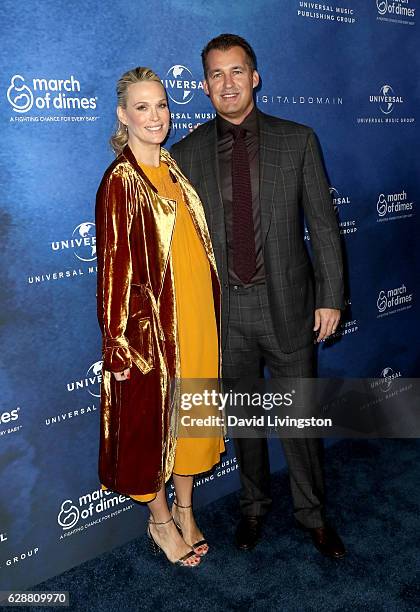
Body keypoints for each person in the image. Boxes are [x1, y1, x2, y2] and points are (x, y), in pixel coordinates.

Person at [171, 34, 346, 559]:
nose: (228, 82)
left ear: (255, 76)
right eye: (217, 75)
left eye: (237, 71)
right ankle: (253, 509)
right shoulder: (184, 154)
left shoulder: (298, 140)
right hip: (226, 313)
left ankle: (313, 514)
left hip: (289, 304)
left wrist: (331, 295)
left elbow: (323, 223)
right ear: (204, 86)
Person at [95, 67, 224, 567]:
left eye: (162, 105)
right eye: (142, 107)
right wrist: (118, 343)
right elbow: (112, 273)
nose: (156, 116)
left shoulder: (175, 170)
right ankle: (161, 520)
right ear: (123, 115)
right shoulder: (121, 182)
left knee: (192, 420)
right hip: (150, 333)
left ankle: (187, 510)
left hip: (195, 317)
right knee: (147, 428)